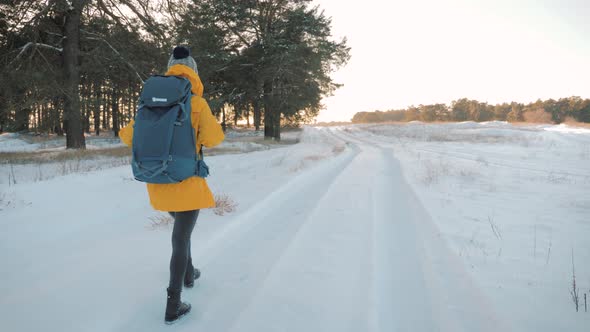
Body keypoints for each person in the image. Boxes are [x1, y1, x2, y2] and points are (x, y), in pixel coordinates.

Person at [119, 45, 224, 324]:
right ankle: (173, 304)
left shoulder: (151, 103)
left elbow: (126, 136)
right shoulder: (197, 103)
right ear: (194, 71)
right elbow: (215, 139)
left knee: (182, 232)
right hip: (186, 182)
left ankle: (190, 274)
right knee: (180, 238)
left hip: (157, 182)